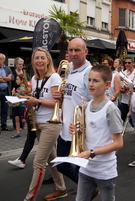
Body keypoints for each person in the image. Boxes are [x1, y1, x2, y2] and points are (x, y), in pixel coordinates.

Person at [69, 64, 123, 201]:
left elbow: (118, 143)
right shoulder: (85, 107)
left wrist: (92, 153)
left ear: (107, 84)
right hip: (86, 169)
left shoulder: (110, 109)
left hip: (104, 171)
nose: (91, 84)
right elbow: (86, 134)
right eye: (89, 80)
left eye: (96, 81)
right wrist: (75, 131)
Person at [23, 47, 67, 201]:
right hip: (38, 121)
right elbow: (36, 100)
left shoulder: (54, 78)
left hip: (51, 123)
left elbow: (58, 104)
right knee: (50, 158)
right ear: (33, 61)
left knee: (38, 162)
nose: (39, 61)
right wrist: (27, 101)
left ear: (48, 60)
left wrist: (38, 101)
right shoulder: (34, 79)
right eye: (37, 58)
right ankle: (61, 188)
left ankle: (29, 198)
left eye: (43, 57)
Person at [54, 38, 93, 187]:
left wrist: (82, 124)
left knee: (80, 169)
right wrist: (61, 95)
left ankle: (86, 191)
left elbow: (93, 103)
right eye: (70, 50)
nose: (73, 53)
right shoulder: (69, 69)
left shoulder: (89, 72)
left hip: (79, 131)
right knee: (62, 165)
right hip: (65, 127)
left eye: (77, 50)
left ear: (85, 51)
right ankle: (88, 189)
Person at [118, 56, 135, 124]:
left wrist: (128, 87)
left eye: (129, 62)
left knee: (132, 121)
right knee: (120, 118)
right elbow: (120, 85)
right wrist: (121, 89)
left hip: (133, 100)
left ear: (133, 63)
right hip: (124, 100)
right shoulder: (124, 73)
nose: (127, 64)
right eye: (125, 63)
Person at [10, 74, 27, 139]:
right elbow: (16, 97)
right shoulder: (18, 88)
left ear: (22, 80)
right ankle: (18, 132)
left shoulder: (26, 88)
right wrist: (13, 94)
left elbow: (28, 96)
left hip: (23, 106)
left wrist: (24, 94)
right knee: (16, 118)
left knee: (24, 120)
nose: (16, 81)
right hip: (17, 104)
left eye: (17, 79)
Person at [0, 53, 13, 131]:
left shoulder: (7, 68)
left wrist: (1, 77)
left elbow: (11, 78)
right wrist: (6, 78)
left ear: (4, 59)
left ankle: (4, 125)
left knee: (5, 109)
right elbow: (8, 78)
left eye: (0, 58)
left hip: (5, 91)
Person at [12, 57, 25, 130]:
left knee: (22, 108)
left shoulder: (24, 72)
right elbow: (12, 82)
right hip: (15, 91)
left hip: (22, 91)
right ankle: (16, 126)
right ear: (16, 65)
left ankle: (22, 124)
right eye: (20, 64)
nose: (21, 66)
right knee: (15, 109)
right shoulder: (13, 72)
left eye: (22, 65)